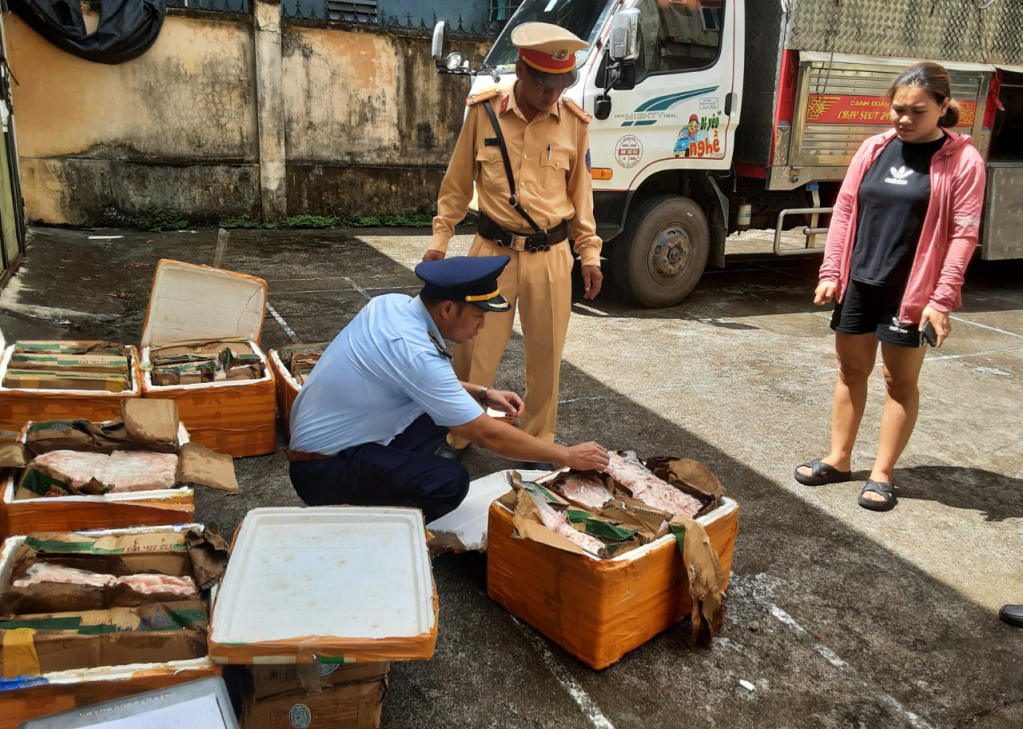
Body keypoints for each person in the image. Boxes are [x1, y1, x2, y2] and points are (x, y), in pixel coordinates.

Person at [286, 255, 609, 523]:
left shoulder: (391, 305)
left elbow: (411, 376)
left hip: (324, 445)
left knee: (436, 417)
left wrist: (482, 393)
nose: (481, 328)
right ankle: (375, 525)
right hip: (322, 470)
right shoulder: (415, 352)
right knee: (449, 482)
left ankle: (385, 487)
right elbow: (487, 434)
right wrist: (567, 455)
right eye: (478, 316)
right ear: (448, 309)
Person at [794, 62, 986, 512]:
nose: (903, 119)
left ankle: (881, 474)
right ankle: (838, 459)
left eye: (916, 111)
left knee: (898, 381)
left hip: (911, 290)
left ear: (942, 106)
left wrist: (942, 299)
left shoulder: (962, 160)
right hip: (862, 278)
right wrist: (831, 271)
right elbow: (843, 211)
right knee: (850, 371)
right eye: (898, 109)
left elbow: (964, 232)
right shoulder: (875, 148)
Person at [424, 22, 603, 469]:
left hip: (551, 256)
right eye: (543, 81)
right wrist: (439, 241)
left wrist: (590, 254)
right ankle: (460, 433)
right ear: (521, 71)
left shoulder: (575, 124)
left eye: (561, 82)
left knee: (546, 357)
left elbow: (582, 198)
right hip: (491, 253)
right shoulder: (483, 113)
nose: (550, 93)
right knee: (471, 350)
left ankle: (538, 440)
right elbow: (456, 185)